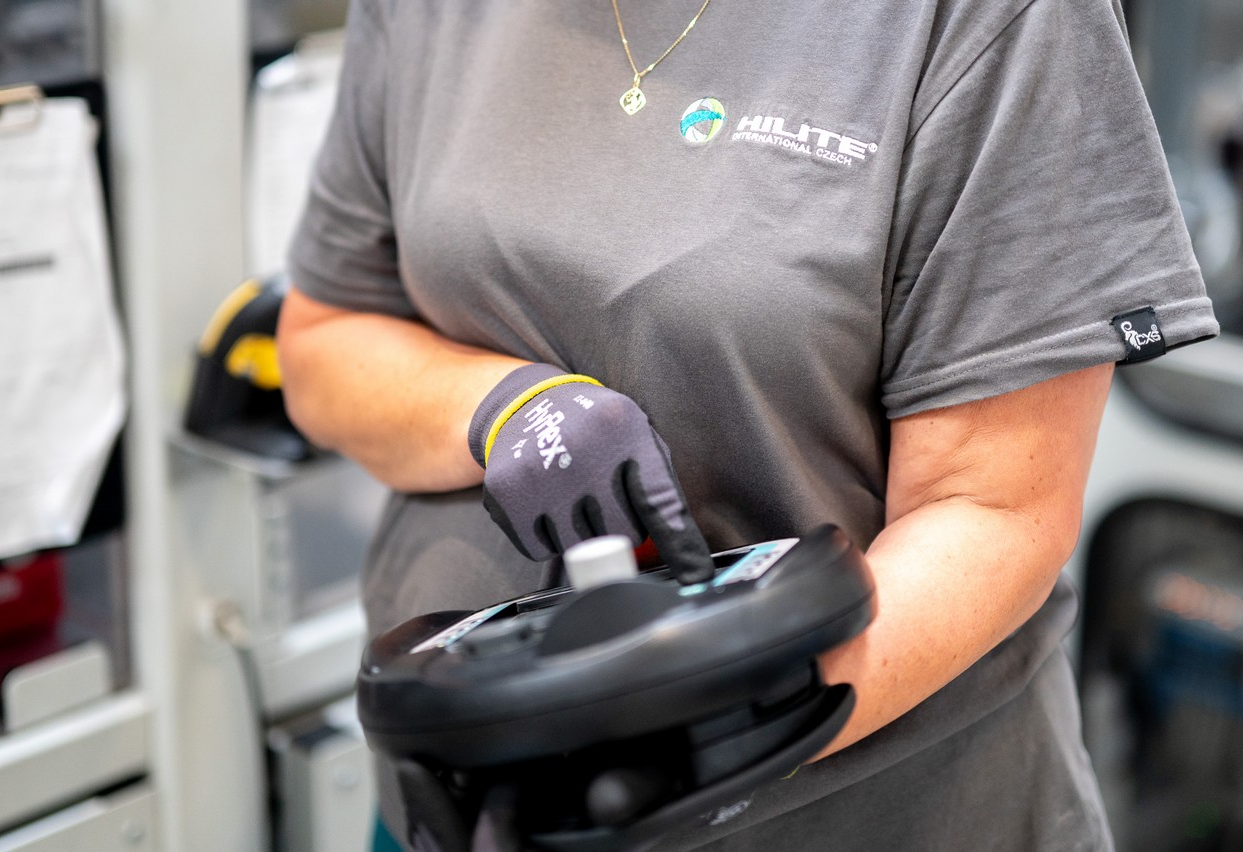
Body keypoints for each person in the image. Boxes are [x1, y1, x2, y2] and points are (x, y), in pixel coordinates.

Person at [275, 0, 1220, 848]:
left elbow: (996, 508)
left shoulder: (987, 19)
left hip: (857, 815)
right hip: (465, 793)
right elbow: (321, 343)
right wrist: (503, 409)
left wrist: (705, 745)